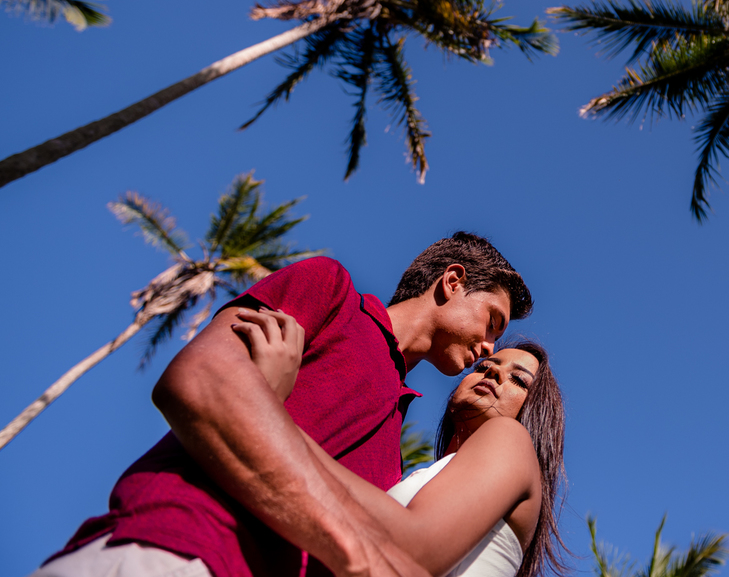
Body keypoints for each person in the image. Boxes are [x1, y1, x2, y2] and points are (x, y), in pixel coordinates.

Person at [32, 232, 533, 577]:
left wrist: (261, 402)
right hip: (174, 549)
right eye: (491, 321)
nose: (489, 348)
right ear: (452, 281)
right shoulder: (332, 292)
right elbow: (197, 381)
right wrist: (360, 554)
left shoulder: (394, 453)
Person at [235, 311, 566, 577]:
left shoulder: (511, 438)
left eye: (518, 379)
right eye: (485, 367)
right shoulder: (423, 477)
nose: (493, 374)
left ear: (534, 411)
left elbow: (409, 554)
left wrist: (270, 411)